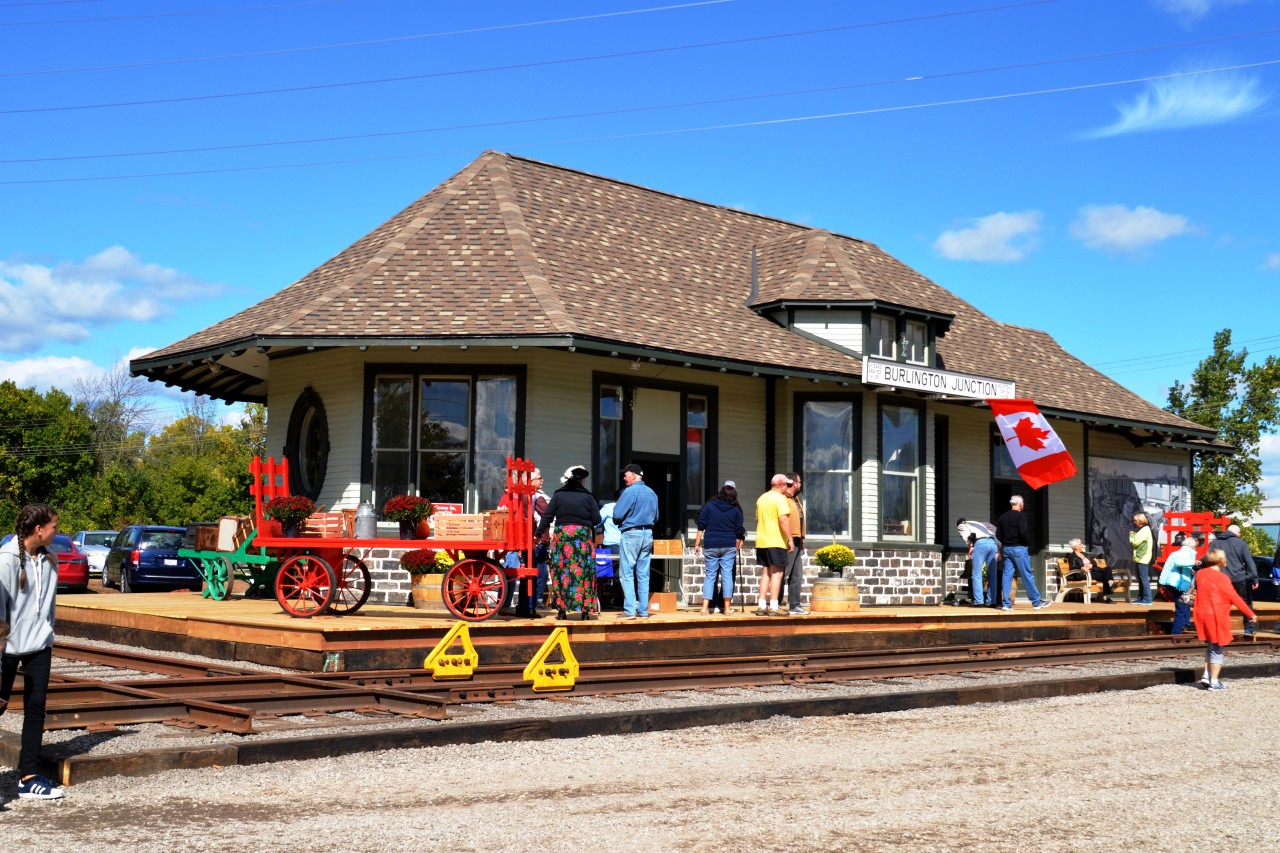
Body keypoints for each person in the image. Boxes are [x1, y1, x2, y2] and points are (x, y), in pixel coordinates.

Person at [0, 503, 65, 800]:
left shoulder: (50, 560)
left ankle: (27, 777)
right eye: (54, 526)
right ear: (39, 529)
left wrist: (47, 634)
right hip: (7, 646)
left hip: (38, 645)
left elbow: (47, 607)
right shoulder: (7, 559)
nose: (57, 531)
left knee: (35, 708)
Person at [534, 466, 603, 621]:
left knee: (562, 572)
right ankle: (585, 611)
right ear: (582, 481)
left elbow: (548, 516)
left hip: (562, 538)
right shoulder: (588, 497)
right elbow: (597, 520)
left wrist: (538, 533)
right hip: (582, 538)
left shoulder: (558, 495)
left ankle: (561, 610)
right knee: (584, 572)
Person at [1193, 548, 1257, 691]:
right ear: (1221, 561)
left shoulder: (1200, 574)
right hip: (1216, 615)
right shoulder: (1222, 578)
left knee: (1210, 646)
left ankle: (1206, 675)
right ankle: (1214, 682)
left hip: (1201, 613)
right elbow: (1235, 598)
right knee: (1217, 648)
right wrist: (1250, 614)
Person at [613, 463, 658, 619]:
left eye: (625, 475)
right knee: (643, 574)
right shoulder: (652, 492)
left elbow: (617, 514)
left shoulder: (629, 491)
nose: (624, 478)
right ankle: (643, 611)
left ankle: (630, 610)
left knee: (626, 573)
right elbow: (656, 517)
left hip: (631, 534)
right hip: (648, 534)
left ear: (633, 475)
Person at [694, 481, 746, 615]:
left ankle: (705, 608)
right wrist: (739, 540)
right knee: (727, 575)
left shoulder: (710, 505)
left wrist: (697, 544)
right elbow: (739, 528)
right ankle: (727, 608)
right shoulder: (735, 508)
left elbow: (701, 524)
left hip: (711, 544)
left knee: (710, 575)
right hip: (728, 545)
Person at [995, 495, 1051, 611]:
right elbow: (1023, 533)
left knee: (1007, 576)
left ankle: (1006, 604)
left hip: (1006, 549)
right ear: (1021, 504)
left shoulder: (1003, 517)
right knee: (1026, 574)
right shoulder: (1021, 516)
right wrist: (1025, 543)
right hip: (1019, 548)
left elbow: (998, 535)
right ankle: (1036, 602)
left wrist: (1005, 543)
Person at [508, 468, 550, 618]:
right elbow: (546, 514)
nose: (542, 480)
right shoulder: (533, 498)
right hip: (534, 539)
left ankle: (525, 606)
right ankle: (530, 606)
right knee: (536, 573)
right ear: (531, 481)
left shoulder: (526, 496)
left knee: (531, 573)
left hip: (530, 538)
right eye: (539, 478)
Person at [754, 474, 794, 616]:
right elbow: (783, 520)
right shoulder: (780, 499)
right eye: (786, 485)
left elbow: (757, 519)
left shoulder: (762, 498)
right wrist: (790, 539)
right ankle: (774, 606)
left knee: (766, 573)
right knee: (777, 573)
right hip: (776, 540)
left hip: (762, 540)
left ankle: (762, 605)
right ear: (781, 485)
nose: (786, 488)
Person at [1213, 524, 1258, 636]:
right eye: (1239, 533)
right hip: (1239, 578)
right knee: (1245, 602)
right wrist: (1254, 578)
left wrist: (1198, 567)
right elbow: (1249, 562)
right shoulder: (1241, 543)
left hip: (1220, 578)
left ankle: (1219, 628)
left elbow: (1208, 557)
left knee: (1221, 603)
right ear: (1236, 533)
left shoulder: (1215, 542)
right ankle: (1249, 628)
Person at [1158, 532, 1199, 635]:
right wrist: (1193, 563)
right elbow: (1179, 563)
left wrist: (1191, 570)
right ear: (1192, 546)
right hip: (1178, 583)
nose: (1196, 549)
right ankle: (1177, 632)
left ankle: (1185, 624)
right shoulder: (1186, 553)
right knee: (1181, 607)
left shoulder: (1177, 552)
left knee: (1184, 603)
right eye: (1195, 547)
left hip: (1171, 582)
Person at [780, 473, 808, 615]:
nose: (800, 484)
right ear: (794, 483)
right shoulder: (783, 498)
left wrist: (801, 540)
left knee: (797, 575)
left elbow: (799, 520)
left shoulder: (795, 499)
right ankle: (776, 604)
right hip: (787, 540)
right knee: (783, 573)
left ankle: (794, 605)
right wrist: (789, 538)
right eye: (799, 482)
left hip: (797, 541)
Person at [956, 517, 1000, 607]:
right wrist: (998, 549)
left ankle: (979, 601)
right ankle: (992, 601)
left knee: (976, 574)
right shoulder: (977, 523)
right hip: (992, 544)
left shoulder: (962, 525)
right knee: (992, 575)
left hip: (980, 544)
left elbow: (968, 537)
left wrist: (971, 546)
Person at [1065, 537, 1114, 603]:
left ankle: (1109, 582)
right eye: (1080, 544)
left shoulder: (1085, 554)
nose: (1082, 545)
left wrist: (1091, 565)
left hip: (1093, 570)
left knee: (1107, 569)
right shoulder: (1072, 556)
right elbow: (1073, 567)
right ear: (1075, 547)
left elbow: (1094, 563)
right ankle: (1107, 596)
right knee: (1105, 577)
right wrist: (1082, 567)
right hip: (1083, 574)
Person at [1128, 512, 1154, 605]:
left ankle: (1147, 599)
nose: (1134, 522)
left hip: (1143, 558)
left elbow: (1135, 542)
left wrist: (1131, 535)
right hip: (1140, 558)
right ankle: (1141, 597)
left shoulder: (1145, 530)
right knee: (1141, 578)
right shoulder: (1143, 529)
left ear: (1141, 521)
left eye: (1135, 521)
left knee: (1143, 579)